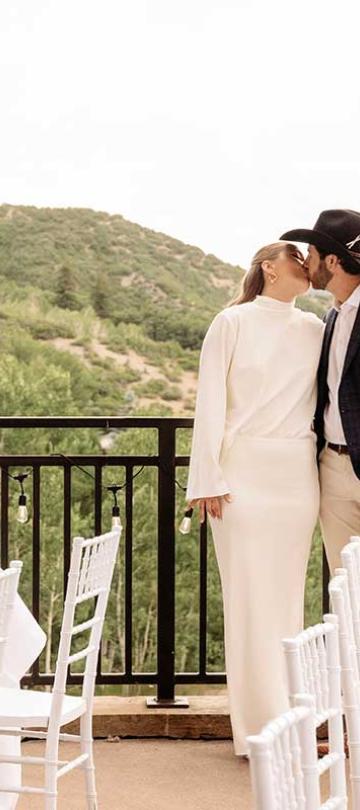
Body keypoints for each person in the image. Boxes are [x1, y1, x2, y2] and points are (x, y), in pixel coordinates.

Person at [186, 242, 324, 756]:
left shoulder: (315, 328)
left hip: (296, 477)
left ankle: (290, 724)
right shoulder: (232, 323)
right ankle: (256, 734)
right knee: (248, 603)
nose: (306, 266)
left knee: (288, 603)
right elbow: (209, 402)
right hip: (241, 477)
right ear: (270, 267)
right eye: (296, 258)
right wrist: (207, 478)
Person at [280, 210, 360, 574]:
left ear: (332, 261)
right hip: (333, 471)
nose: (305, 262)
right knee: (346, 584)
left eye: (311, 254)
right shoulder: (330, 318)